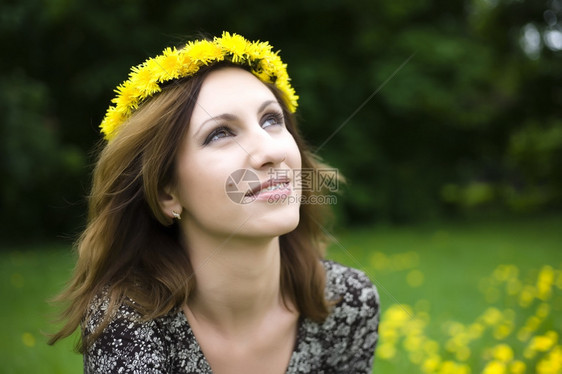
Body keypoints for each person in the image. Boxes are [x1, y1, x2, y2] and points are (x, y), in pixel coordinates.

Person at [49, 32, 379, 373]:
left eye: (272, 119)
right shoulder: (128, 322)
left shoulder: (347, 301)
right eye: (220, 133)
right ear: (166, 193)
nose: (270, 151)